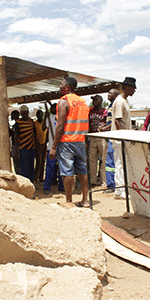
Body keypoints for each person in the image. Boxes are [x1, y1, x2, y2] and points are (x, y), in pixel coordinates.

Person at [49, 76, 90, 207]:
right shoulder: (82, 102)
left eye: (61, 84)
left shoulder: (63, 101)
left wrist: (54, 147)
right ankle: (85, 200)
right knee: (82, 170)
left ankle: (69, 201)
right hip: (81, 140)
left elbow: (60, 126)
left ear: (66, 87)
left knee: (67, 171)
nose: (59, 87)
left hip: (67, 141)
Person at [111, 77, 137, 199]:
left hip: (123, 138)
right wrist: (122, 137)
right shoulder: (120, 101)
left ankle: (121, 189)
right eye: (133, 88)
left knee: (122, 163)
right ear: (127, 88)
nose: (134, 91)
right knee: (120, 164)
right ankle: (120, 190)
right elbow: (117, 121)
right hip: (120, 139)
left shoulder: (124, 101)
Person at [99, 88, 120, 193]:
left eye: (111, 93)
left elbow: (116, 121)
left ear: (116, 95)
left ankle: (111, 185)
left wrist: (106, 128)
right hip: (110, 135)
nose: (108, 94)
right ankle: (111, 184)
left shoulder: (116, 105)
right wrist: (104, 126)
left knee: (110, 161)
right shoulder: (111, 106)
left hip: (113, 136)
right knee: (109, 161)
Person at [43, 103, 64, 194]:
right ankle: (47, 186)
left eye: (53, 108)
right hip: (51, 147)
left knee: (62, 168)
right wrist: (45, 117)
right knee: (50, 167)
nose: (51, 109)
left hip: (61, 147)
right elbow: (44, 128)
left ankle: (62, 186)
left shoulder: (62, 117)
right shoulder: (49, 118)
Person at [88, 94, 107, 187]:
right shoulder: (90, 111)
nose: (93, 101)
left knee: (103, 160)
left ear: (101, 101)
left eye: (96, 100)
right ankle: (93, 181)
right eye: (93, 100)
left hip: (102, 137)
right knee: (92, 160)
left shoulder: (105, 112)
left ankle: (104, 181)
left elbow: (109, 123)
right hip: (92, 137)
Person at [15, 105, 36, 182]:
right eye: (23, 113)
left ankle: (31, 181)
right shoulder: (18, 123)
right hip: (23, 148)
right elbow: (16, 136)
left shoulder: (31, 121)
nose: (25, 115)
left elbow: (34, 133)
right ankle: (25, 182)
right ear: (21, 113)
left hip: (31, 147)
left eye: (26, 113)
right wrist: (17, 149)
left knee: (31, 166)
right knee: (24, 166)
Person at [34, 109, 47, 183]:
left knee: (43, 161)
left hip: (44, 143)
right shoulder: (35, 123)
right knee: (38, 162)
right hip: (38, 144)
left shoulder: (45, 123)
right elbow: (34, 133)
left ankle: (41, 177)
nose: (39, 116)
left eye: (40, 114)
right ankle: (36, 177)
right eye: (38, 115)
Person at [10, 110, 21, 175]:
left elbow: (16, 137)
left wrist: (16, 149)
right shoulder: (16, 124)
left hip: (17, 146)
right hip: (17, 145)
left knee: (17, 161)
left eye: (12, 115)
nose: (11, 116)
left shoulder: (17, 124)